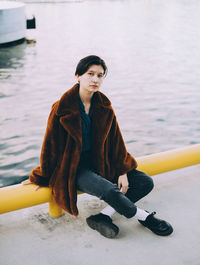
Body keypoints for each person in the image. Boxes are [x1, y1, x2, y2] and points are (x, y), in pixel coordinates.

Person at [23, 55, 173, 239]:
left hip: (100, 161)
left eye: (100, 75)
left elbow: (116, 140)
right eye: (90, 74)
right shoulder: (61, 108)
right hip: (75, 167)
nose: (95, 79)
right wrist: (40, 176)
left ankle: (102, 217)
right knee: (110, 190)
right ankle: (145, 217)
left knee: (144, 182)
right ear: (78, 76)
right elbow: (50, 146)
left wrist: (123, 170)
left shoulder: (103, 105)